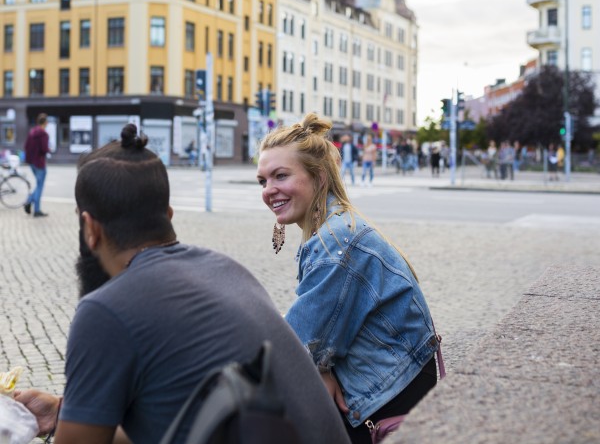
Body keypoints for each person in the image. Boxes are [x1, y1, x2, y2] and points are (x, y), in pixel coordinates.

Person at [14, 124, 350, 444]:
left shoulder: (104, 310)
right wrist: (64, 413)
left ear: (90, 228)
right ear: (169, 215)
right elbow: (166, 429)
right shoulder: (227, 269)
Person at [256, 114, 441, 444]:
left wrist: (317, 364)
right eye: (263, 181)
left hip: (388, 393)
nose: (269, 190)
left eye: (280, 176)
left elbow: (299, 347)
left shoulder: (336, 243)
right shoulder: (336, 227)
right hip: (396, 379)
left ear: (319, 177)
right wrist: (322, 367)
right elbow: (318, 327)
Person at [24, 113, 50, 217]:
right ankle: (35, 209)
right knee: (39, 186)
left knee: (38, 185)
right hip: (40, 163)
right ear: (45, 122)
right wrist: (48, 149)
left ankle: (31, 203)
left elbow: (26, 146)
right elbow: (44, 149)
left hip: (32, 163)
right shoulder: (44, 134)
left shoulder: (32, 132)